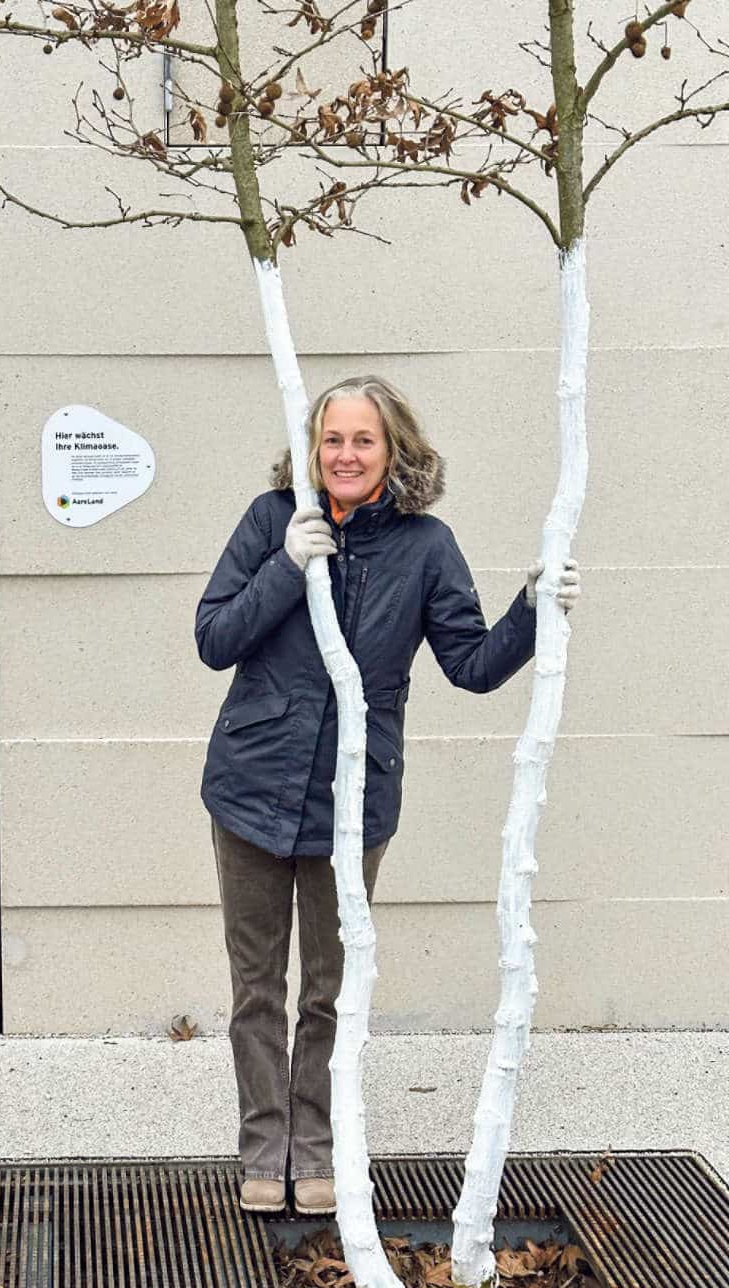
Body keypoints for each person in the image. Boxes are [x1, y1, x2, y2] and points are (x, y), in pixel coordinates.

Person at [195, 377, 580, 1218]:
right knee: (256, 985)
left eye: (362, 440)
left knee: (329, 991)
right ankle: (266, 1145)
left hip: (353, 802)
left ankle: (318, 1143)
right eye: (331, 439)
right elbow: (214, 637)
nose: (345, 455)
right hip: (251, 789)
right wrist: (288, 567)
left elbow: (472, 667)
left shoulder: (426, 545)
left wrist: (534, 610)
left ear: (394, 449)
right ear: (312, 447)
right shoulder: (272, 522)